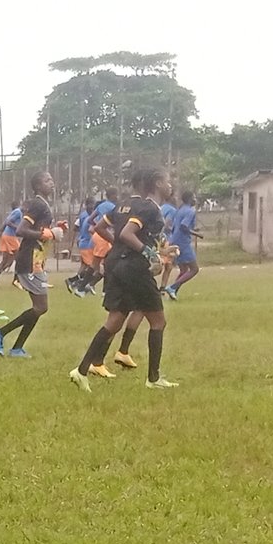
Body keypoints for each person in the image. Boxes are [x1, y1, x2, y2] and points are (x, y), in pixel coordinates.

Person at [71, 165, 177, 391]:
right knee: (158, 321)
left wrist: (142, 250)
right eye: (168, 181)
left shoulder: (122, 205)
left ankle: (81, 371)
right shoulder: (150, 208)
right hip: (134, 269)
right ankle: (154, 379)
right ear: (157, 183)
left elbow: (99, 227)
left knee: (114, 320)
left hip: (115, 264)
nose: (171, 185)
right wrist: (148, 254)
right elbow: (127, 233)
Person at [0, 170, 56, 358]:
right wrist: (44, 234)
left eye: (51, 179)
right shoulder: (36, 204)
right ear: (37, 186)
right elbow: (21, 230)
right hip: (29, 260)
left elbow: (38, 229)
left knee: (40, 307)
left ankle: (17, 348)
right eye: (47, 180)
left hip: (37, 260)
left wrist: (54, 231)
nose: (52, 182)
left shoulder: (43, 204)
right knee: (41, 307)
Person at [166, 194, 201, 299]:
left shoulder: (180, 210)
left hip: (174, 240)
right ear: (190, 199)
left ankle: (173, 292)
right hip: (182, 242)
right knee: (194, 269)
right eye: (194, 197)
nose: (195, 199)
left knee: (183, 270)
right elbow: (183, 226)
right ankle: (172, 287)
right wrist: (196, 234)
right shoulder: (190, 211)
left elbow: (174, 226)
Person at [0, 201, 25, 285]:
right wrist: (18, 228)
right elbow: (8, 222)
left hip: (7, 236)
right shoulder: (18, 212)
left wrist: (2, 232)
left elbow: (5, 222)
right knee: (19, 258)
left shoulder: (15, 212)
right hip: (10, 237)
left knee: (7, 260)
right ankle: (16, 281)